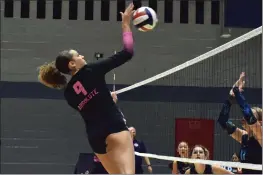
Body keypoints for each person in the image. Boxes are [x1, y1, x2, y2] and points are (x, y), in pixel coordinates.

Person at [38, 3, 136, 174]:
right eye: (78, 55)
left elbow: (92, 105)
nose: (82, 56)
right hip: (114, 127)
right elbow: (128, 52)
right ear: (72, 63)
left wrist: (106, 98)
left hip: (95, 138)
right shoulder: (91, 69)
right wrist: (125, 24)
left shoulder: (68, 94)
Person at [217, 72, 262, 174]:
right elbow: (222, 121)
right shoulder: (244, 137)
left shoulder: (261, 136)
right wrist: (230, 99)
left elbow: (248, 116)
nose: (244, 118)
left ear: (260, 122)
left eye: (252, 115)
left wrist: (237, 91)